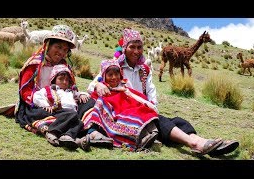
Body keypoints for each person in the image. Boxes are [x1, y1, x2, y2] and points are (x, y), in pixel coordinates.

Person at [85, 28, 239, 156]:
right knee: (160, 121)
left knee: (178, 121)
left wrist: (152, 107)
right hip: (124, 111)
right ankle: (196, 143)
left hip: (143, 107)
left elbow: (151, 91)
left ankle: (204, 142)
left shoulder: (144, 68)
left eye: (139, 47)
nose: (136, 51)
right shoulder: (114, 67)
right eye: (132, 47)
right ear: (125, 48)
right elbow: (94, 85)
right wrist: (98, 86)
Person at [15, 24, 90, 151]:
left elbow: (70, 88)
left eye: (65, 50)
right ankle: (67, 132)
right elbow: (25, 91)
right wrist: (47, 104)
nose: (61, 52)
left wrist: (78, 95)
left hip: (62, 101)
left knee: (88, 102)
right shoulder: (35, 64)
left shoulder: (64, 66)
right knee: (59, 114)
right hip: (38, 104)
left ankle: (88, 130)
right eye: (58, 47)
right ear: (48, 45)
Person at [82, 59, 159, 151]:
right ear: (104, 76)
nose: (114, 77)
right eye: (110, 75)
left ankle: (149, 135)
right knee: (127, 119)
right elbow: (98, 101)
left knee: (140, 111)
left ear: (120, 74)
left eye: (116, 74)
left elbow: (135, 97)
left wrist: (145, 104)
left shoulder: (123, 88)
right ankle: (140, 139)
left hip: (125, 110)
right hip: (114, 114)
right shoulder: (102, 89)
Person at [32, 64, 90, 151]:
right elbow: (36, 96)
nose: (64, 82)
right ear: (54, 79)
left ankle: (67, 137)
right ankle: (53, 132)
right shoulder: (50, 89)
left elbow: (82, 94)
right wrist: (46, 105)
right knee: (73, 114)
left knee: (80, 123)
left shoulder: (70, 91)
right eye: (61, 79)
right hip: (59, 111)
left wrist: (82, 95)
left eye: (67, 80)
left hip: (71, 114)